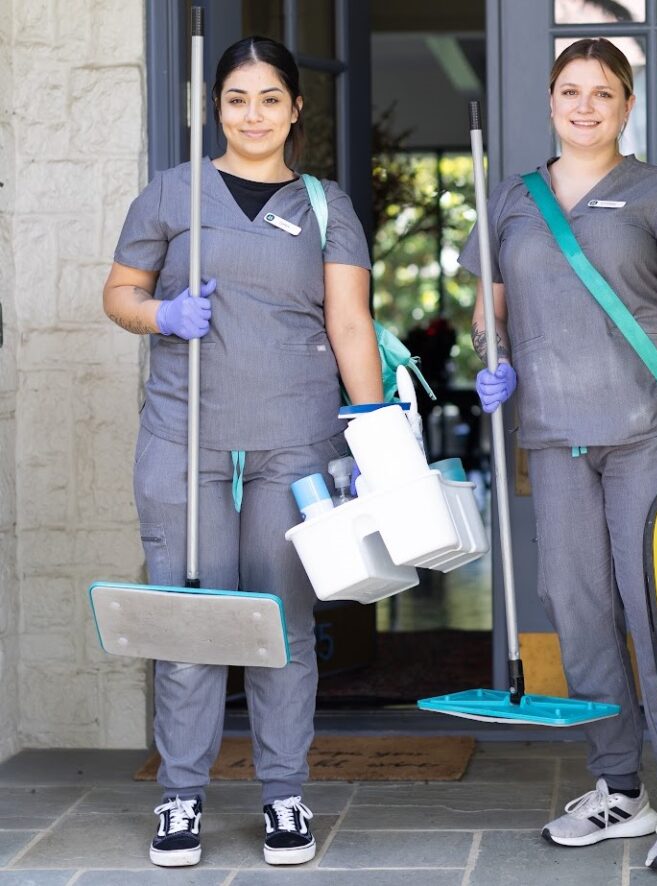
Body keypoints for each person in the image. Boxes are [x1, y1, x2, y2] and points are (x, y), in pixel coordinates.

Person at [460, 38, 657, 874]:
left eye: (604, 93)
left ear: (626, 107)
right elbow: (490, 310)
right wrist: (489, 358)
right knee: (578, 613)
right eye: (570, 91)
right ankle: (620, 787)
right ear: (551, 101)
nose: (586, 106)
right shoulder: (510, 199)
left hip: (646, 432)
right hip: (550, 434)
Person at [103, 36, 381, 868]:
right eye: (236, 99)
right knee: (188, 617)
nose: (252, 115)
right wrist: (162, 316)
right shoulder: (171, 194)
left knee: (281, 624)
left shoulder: (326, 208)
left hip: (294, 443)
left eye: (268, 99)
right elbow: (120, 293)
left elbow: (350, 323)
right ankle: (181, 798)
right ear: (214, 107)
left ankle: (284, 795)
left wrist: (371, 427)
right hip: (185, 436)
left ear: (296, 109)